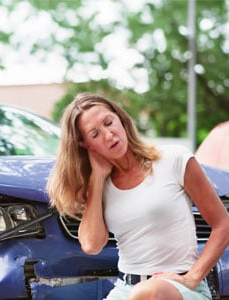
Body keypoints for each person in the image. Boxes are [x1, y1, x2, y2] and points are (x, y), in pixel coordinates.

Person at [46, 92, 229, 300]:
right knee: (141, 293)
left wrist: (192, 278)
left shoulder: (173, 159)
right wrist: (96, 178)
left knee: (147, 292)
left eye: (108, 123)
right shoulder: (101, 187)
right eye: (95, 134)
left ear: (121, 119)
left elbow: (223, 224)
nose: (108, 135)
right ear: (86, 145)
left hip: (180, 289)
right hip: (126, 289)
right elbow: (91, 245)